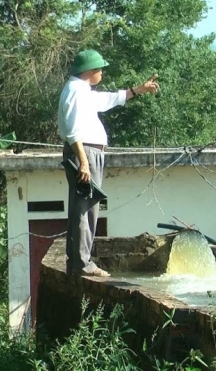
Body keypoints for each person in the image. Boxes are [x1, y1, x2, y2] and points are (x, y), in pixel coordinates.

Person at [58, 49, 159, 277]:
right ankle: (82, 264)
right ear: (89, 71)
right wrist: (83, 162)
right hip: (85, 153)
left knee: (84, 207)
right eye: (100, 69)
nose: (102, 74)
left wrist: (138, 90)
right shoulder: (75, 90)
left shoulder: (80, 89)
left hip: (87, 153)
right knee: (85, 208)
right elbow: (73, 132)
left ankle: (78, 261)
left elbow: (108, 99)